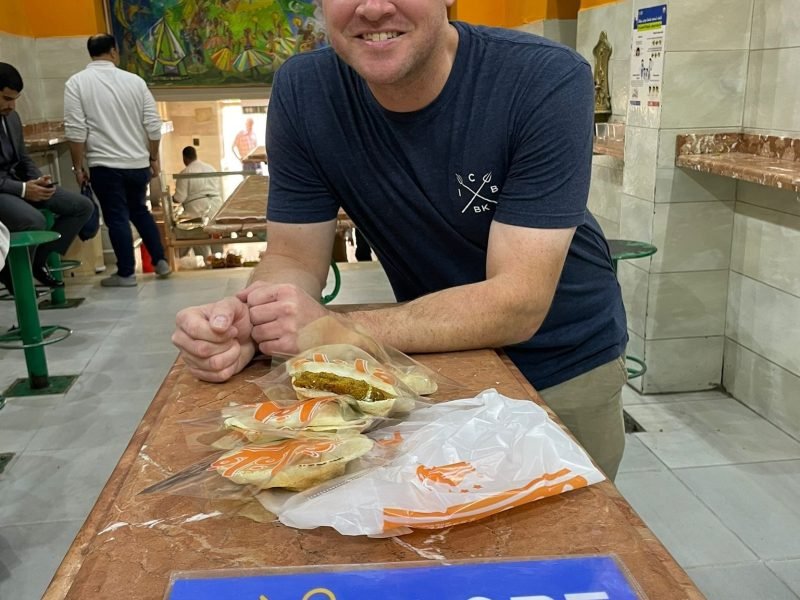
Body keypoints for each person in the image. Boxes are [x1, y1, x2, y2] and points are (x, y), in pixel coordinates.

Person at [172, 1, 628, 479]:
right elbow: (292, 255)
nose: (372, 8)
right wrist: (253, 318)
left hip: (563, 364)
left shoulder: (543, 78)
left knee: (557, 524)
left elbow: (518, 302)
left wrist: (342, 330)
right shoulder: (306, 90)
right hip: (431, 358)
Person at [64, 34, 171, 288]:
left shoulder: (76, 83)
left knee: (117, 217)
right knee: (140, 210)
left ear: (90, 53)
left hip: (104, 166)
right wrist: (153, 157)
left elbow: (75, 131)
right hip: (137, 164)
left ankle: (126, 274)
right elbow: (153, 126)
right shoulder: (135, 82)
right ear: (114, 51)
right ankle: (160, 261)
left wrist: (78, 167)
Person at [0, 63, 93, 293]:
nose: (12, 106)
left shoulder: (12, 118)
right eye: (6, 99)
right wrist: (23, 190)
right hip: (3, 191)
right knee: (34, 220)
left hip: (19, 182)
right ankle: (12, 273)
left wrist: (39, 181)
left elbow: (23, 158)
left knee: (82, 206)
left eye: (15, 99)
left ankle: (39, 260)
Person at [172, 145, 223, 259]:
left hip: (197, 210)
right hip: (216, 206)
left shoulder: (185, 172)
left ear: (185, 158)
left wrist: (170, 199)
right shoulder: (210, 168)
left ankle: (204, 260)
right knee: (215, 234)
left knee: (199, 235)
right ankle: (219, 258)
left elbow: (179, 198)